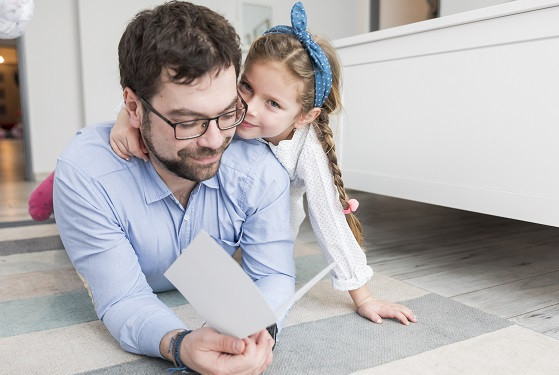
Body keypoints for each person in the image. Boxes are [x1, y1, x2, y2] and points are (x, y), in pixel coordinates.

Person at [111, 2, 417, 326]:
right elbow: (172, 101)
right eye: (246, 87)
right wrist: (123, 118)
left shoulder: (308, 154)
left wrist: (364, 297)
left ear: (303, 116)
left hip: (264, 233)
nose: (250, 108)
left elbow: (330, 221)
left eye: (272, 103)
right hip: (215, 214)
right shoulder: (227, 110)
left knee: (243, 292)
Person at [53, 2, 294, 374]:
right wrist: (180, 345)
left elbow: (274, 274)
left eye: (229, 113)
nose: (216, 140)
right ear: (133, 107)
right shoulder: (87, 176)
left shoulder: (258, 169)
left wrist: (257, 330)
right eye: (188, 121)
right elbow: (123, 298)